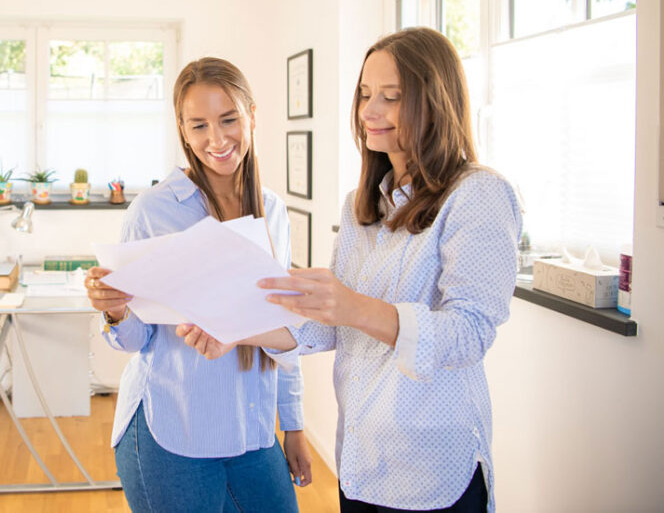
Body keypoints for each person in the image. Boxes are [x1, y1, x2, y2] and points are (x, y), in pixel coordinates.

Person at [180, 27, 522, 512]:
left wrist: (355, 307)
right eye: (364, 94)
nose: (369, 112)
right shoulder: (362, 207)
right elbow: (325, 327)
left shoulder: (477, 195)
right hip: (362, 462)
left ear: (435, 101)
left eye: (391, 96)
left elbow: (469, 334)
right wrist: (237, 331)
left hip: (432, 469)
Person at [84, 56, 312, 512]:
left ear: (252, 115)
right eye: (199, 126)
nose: (217, 139)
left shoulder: (274, 212)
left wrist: (294, 424)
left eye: (229, 120)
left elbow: (282, 327)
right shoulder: (153, 211)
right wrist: (115, 310)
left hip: (251, 431)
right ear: (183, 131)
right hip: (173, 429)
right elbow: (135, 341)